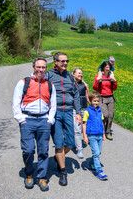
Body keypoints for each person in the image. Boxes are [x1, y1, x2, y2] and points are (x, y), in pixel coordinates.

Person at [12, 57, 56, 191]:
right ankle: (29, 174)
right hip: (27, 120)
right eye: (38, 67)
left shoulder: (49, 84)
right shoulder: (23, 82)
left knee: (43, 151)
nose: (41, 70)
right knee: (28, 150)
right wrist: (21, 120)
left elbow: (53, 105)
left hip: (44, 121)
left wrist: (50, 120)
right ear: (33, 68)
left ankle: (42, 178)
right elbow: (16, 103)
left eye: (43, 67)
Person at [48, 52, 82, 186]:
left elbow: (75, 95)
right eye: (62, 61)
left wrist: (78, 112)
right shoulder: (49, 75)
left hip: (68, 112)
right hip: (55, 112)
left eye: (67, 61)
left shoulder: (69, 76)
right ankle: (63, 172)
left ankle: (59, 156)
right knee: (58, 142)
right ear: (55, 62)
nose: (65, 63)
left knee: (71, 142)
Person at [82, 91, 108, 180]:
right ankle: (99, 171)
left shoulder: (100, 111)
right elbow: (84, 124)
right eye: (94, 101)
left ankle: (91, 164)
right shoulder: (87, 111)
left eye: (97, 101)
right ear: (90, 101)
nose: (96, 103)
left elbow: (101, 123)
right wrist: (85, 136)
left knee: (98, 152)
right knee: (96, 154)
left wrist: (103, 134)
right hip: (91, 135)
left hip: (100, 135)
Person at [93, 61, 117, 140]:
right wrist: (97, 80)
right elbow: (95, 88)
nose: (108, 68)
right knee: (105, 115)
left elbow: (114, 88)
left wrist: (114, 81)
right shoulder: (99, 76)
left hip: (110, 98)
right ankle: (101, 130)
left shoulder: (111, 76)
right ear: (103, 67)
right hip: (102, 98)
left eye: (109, 67)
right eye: (106, 67)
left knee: (110, 116)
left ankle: (108, 132)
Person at [72, 67, 89, 159]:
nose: (81, 75)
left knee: (83, 128)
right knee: (77, 130)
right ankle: (79, 150)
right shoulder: (71, 84)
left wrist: (92, 106)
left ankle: (72, 140)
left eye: (81, 73)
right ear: (73, 74)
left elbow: (87, 96)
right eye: (78, 73)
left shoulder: (84, 85)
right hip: (74, 109)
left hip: (84, 108)